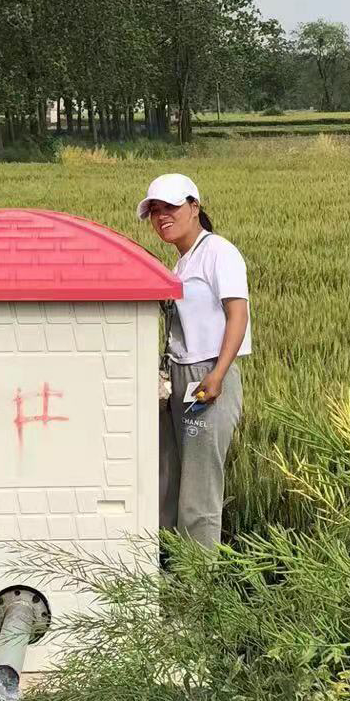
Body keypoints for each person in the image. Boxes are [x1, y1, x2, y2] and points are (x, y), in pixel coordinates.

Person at [137, 173, 251, 548]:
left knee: (199, 488)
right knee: (169, 479)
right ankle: (166, 569)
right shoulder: (182, 262)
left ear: (194, 207)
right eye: (155, 210)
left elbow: (238, 313)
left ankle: (196, 587)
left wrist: (217, 374)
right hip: (178, 375)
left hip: (208, 376)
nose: (161, 216)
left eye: (170, 207)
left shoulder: (219, 252)